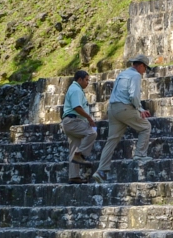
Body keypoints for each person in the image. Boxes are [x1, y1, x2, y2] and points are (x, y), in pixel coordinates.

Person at [92, 55, 153, 183]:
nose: (144, 71)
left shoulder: (123, 74)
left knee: (112, 140)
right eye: (145, 68)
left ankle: (101, 170)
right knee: (146, 127)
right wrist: (140, 109)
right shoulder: (136, 75)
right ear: (141, 65)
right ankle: (140, 155)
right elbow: (134, 95)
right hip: (124, 108)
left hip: (113, 109)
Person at [61, 69, 97, 184]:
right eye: (86, 80)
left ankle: (74, 176)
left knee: (73, 148)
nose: (87, 82)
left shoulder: (74, 89)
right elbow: (77, 107)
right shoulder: (76, 89)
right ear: (79, 79)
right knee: (92, 132)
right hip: (73, 121)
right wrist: (89, 118)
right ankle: (80, 154)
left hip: (68, 122)